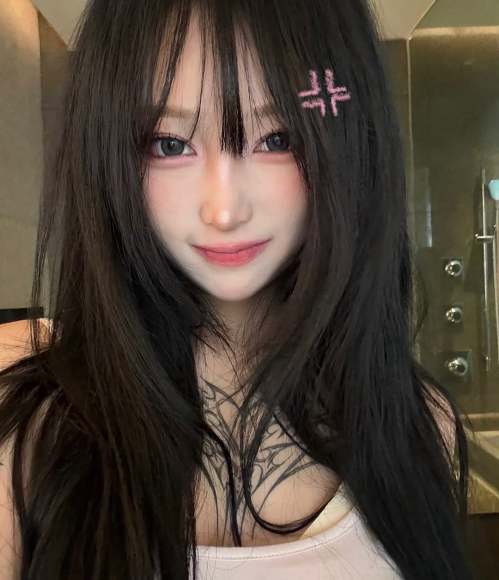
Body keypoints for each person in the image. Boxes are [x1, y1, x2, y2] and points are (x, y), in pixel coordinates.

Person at [0, 0, 474, 578]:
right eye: (169, 144)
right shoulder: (28, 437)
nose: (224, 211)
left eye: (278, 138)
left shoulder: (421, 426)